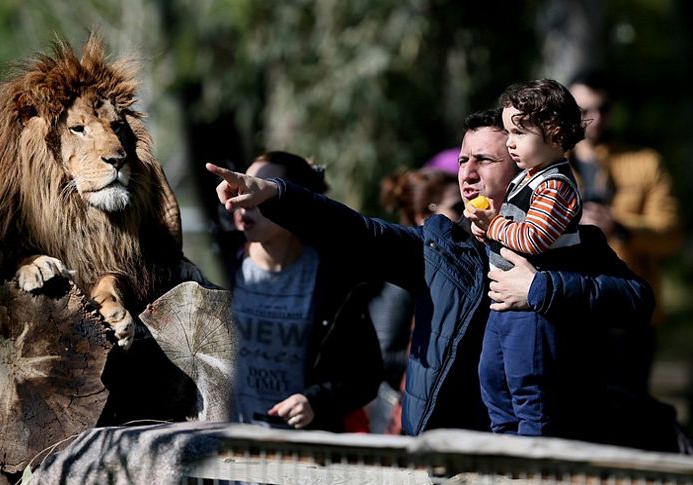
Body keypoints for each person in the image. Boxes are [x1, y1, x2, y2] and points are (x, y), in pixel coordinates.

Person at [205, 111, 685, 451]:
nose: (468, 174)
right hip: (448, 457)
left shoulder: (572, 244)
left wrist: (541, 289)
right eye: (463, 161)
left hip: (546, 455)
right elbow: (357, 231)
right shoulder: (437, 248)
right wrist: (276, 195)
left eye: (486, 161)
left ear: (523, 169)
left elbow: (636, 301)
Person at [228, 151, 383, 432]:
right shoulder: (227, 270)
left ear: (293, 202)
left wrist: (315, 402)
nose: (245, 199)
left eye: (260, 190)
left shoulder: (335, 280)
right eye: (243, 187)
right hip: (233, 450)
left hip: (307, 455)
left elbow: (365, 375)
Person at [464, 79, 586, 436]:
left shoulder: (556, 185)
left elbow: (533, 238)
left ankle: (531, 458)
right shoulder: (528, 178)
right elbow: (510, 230)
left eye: (519, 132)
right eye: (508, 132)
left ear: (555, 133)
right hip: (503, 304)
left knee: (528, 387)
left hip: (532, 313)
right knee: (492, 377)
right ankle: (505, 448)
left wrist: (494, 224)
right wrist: (484, 227)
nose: (510, 142)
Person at [568, 71, 681, 392]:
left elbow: (670, 233)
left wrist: (618, 225)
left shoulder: (645, 162)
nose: (595, 118)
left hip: (628, 309)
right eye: (584, 110)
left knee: (628, 413)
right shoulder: (550, 163)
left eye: (602, 108)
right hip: (567, 304)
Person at [370, 167, 462, 434]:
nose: (467, 214)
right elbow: (384, 354)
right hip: (403, 426)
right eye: (457, 207)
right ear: (426, 217)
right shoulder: (409, 273)